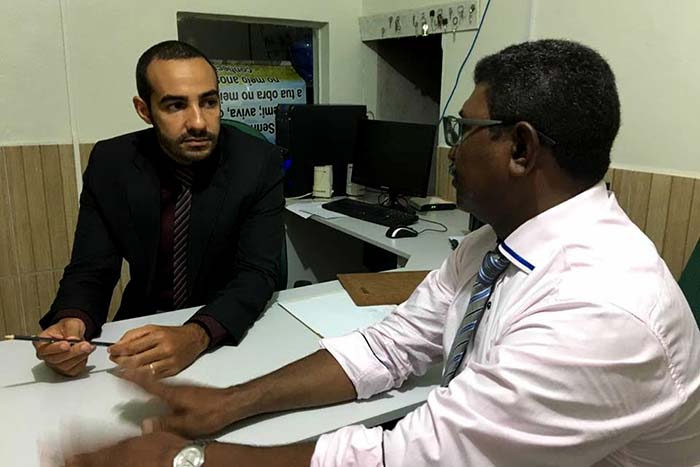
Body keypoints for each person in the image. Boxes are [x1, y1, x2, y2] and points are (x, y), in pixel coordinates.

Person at [66, 39, 700, 467]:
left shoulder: (601, 309)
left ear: (520, 149)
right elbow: (390, 346)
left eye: (462, 130)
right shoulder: (490, 243)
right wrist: (232, 402)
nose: (451, 149)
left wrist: (189, 460)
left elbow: (421, 456)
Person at [35, 40, 285, 379]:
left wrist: (196, 334)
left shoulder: (257, 162)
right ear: (144, 110)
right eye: (176, 105)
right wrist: (72, 320)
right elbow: (91, 268)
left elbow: (257, 272)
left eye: (209, 102)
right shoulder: (111, 163)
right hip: (141, 322)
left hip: (228, 326)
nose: (199, 122)